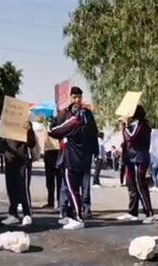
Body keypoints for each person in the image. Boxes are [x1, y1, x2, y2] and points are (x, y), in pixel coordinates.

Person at [49, 86, 99, 230]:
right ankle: (70, 214)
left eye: (79, 97)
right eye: (75, 97)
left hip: (80, 157)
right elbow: (56, 128)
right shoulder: (65, 113)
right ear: (71, 98)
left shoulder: (84, 115)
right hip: (69, 155)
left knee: (76, 188)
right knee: (70, 188)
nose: (77, 100)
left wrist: (95, 153)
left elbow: (93, 133)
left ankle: (78, 216)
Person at [117, 105, 155, 224]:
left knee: (140, 185)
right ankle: (132, 212)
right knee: (132, 186)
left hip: (140, 159)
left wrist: (125, 127)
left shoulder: (142, 125)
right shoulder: (133, 126)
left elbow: (132, 138)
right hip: (130, 159)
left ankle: (149, 213)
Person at [1, 122, 36, 226]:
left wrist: (28, 131)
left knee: (23, 188)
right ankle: (13, 213)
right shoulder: (5, 123)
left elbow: (32, 143)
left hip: (23, 160)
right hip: (10, 159)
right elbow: (0, 143)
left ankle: (27, 213)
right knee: (11, 187)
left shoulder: (25, 124)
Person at [43, 126, 61, 209]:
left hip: (52, 154)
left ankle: (52, 202)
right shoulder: (59, 131)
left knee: (51, 182)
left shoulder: (48, 131)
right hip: (56, 154)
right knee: (57, 181)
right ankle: (58, 201)